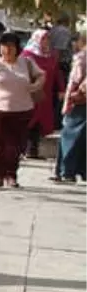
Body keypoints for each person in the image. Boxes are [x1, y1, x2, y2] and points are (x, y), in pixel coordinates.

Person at [0, 31, 45, 189]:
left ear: (17, 48)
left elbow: (42, 75)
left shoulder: (27, 62)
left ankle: (11, 174)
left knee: (14, 145)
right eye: (3, 46)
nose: (7, 49)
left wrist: (36, 85)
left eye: (10, 46)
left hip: (22, 110)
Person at [22, 29, 63, 158]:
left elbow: (57, 73)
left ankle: (33, 150)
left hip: (46, 95)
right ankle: (23, 149)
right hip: (31, 93)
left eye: (48, 39)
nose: (46, 42)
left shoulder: (51, 56)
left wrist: (62, 89)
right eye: (44, 39)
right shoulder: (27, 54)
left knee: (40, 122)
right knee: (28, 120)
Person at [53, 32, 87, 183]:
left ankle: (66, 170)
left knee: (70, 135)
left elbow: (75, 80)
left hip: (79, 101)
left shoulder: (81, 57)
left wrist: (70, 99)